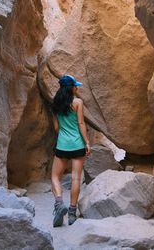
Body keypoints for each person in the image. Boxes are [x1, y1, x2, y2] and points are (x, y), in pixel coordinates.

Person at [51, 74, 91, 227]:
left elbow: (56, 128)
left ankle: (59, 203)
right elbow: (81, 123)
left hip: (62, 145)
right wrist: (87, 142)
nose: (77, 88)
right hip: (77, 145)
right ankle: (72, 213)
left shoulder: (55, 105)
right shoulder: (78, 102)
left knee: (55, 177)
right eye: (76, 86)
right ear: (72, 88)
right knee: (75, 178)